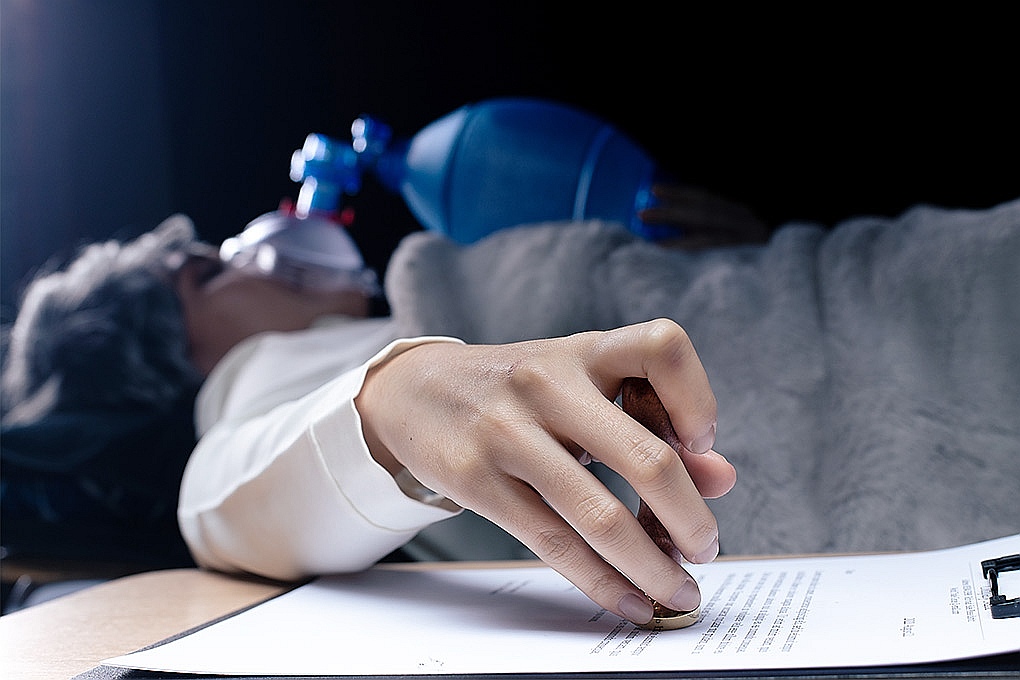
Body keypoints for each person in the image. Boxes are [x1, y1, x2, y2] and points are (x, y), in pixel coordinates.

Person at [2, 190, 752, 626]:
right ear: (178, 350)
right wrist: (393, 401)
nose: (249, 257)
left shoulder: (387, 307)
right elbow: (219, 495)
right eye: (209, 272)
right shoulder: (249, 372)